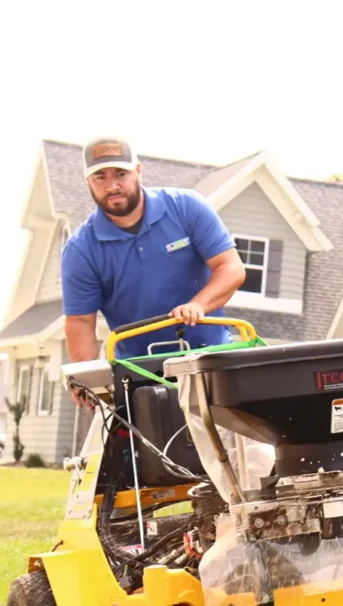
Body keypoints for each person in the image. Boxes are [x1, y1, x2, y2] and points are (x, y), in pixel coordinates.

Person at [61, 137, 246, 408]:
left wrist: (198, 305)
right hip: (139, 377)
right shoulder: (81, 249)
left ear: (138, 171)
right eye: (100, 177)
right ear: (88, 181)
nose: (112, 186)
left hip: (210, 361)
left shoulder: (186, 208)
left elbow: (231, 267)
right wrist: (86, 377)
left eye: (120, 174)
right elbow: (80, 321)